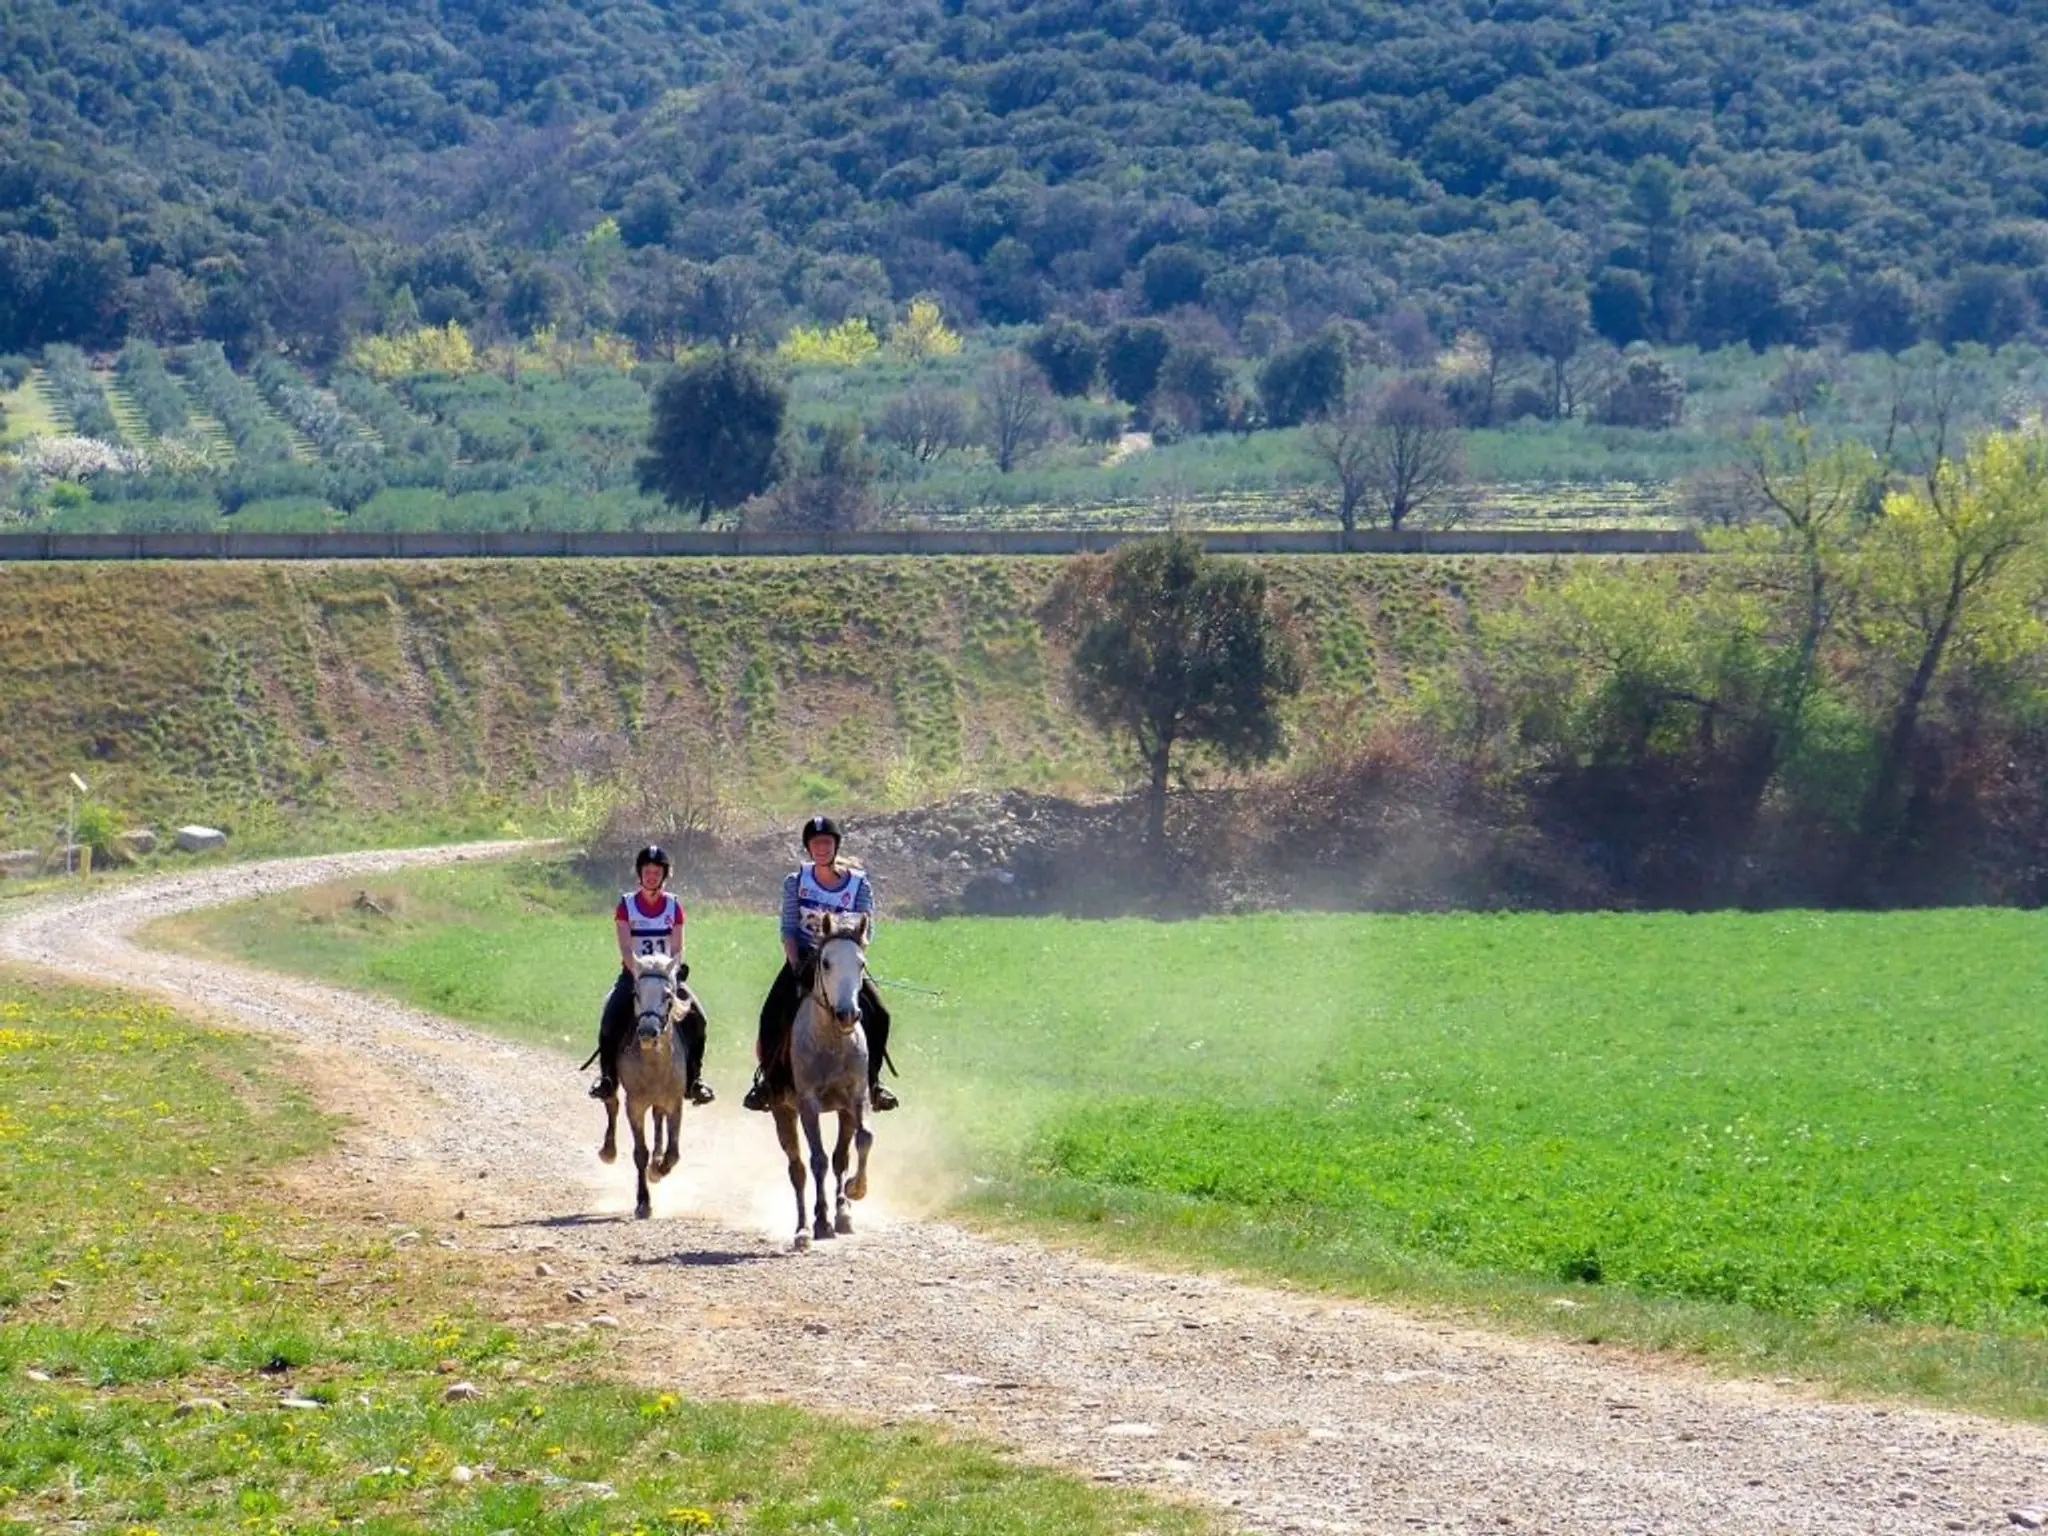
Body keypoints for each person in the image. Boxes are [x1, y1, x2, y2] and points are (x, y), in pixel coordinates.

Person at [741, 814, 897, 1113]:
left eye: (826, 843)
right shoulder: (796, 882)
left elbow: (868, 930)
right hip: (803, 960)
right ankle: (768, 1082)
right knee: (771, 1013)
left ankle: (873, 1083)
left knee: (881, 1014)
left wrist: (849, 960)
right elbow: (788, 928)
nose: (821, 848)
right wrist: (796, 963)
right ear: (808, 848)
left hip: (842, 963)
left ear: (835, 846)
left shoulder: (858, 885)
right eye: (815, 844)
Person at [588, 844, 714, 1105]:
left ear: (664, 875)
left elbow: (677, 948)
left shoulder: (673, 906)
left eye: (657, 872)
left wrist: (670, 974)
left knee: (699, 1020)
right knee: (610, 1019)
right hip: (634, 977)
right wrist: (640, 974)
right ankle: (607, 1079)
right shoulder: (626, 905)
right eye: (647, 871)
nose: (651, 876)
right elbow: (625, 947)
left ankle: (694, 1079)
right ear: (640, 874)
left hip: (666, 978)